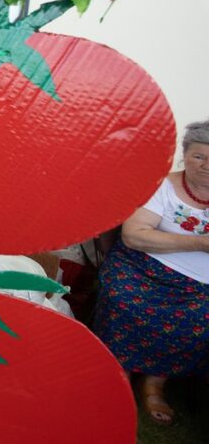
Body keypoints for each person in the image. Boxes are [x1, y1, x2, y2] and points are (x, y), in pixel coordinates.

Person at [93, 119, 209, 425]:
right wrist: (200, 242)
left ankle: (155, 382)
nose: (207, 165)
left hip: (200, 286)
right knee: (122, 299)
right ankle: (117, 373)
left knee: (200, 319)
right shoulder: (163, 186)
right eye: (199, 156)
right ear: (186, 155)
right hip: (142, 266)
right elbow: (134, 235)